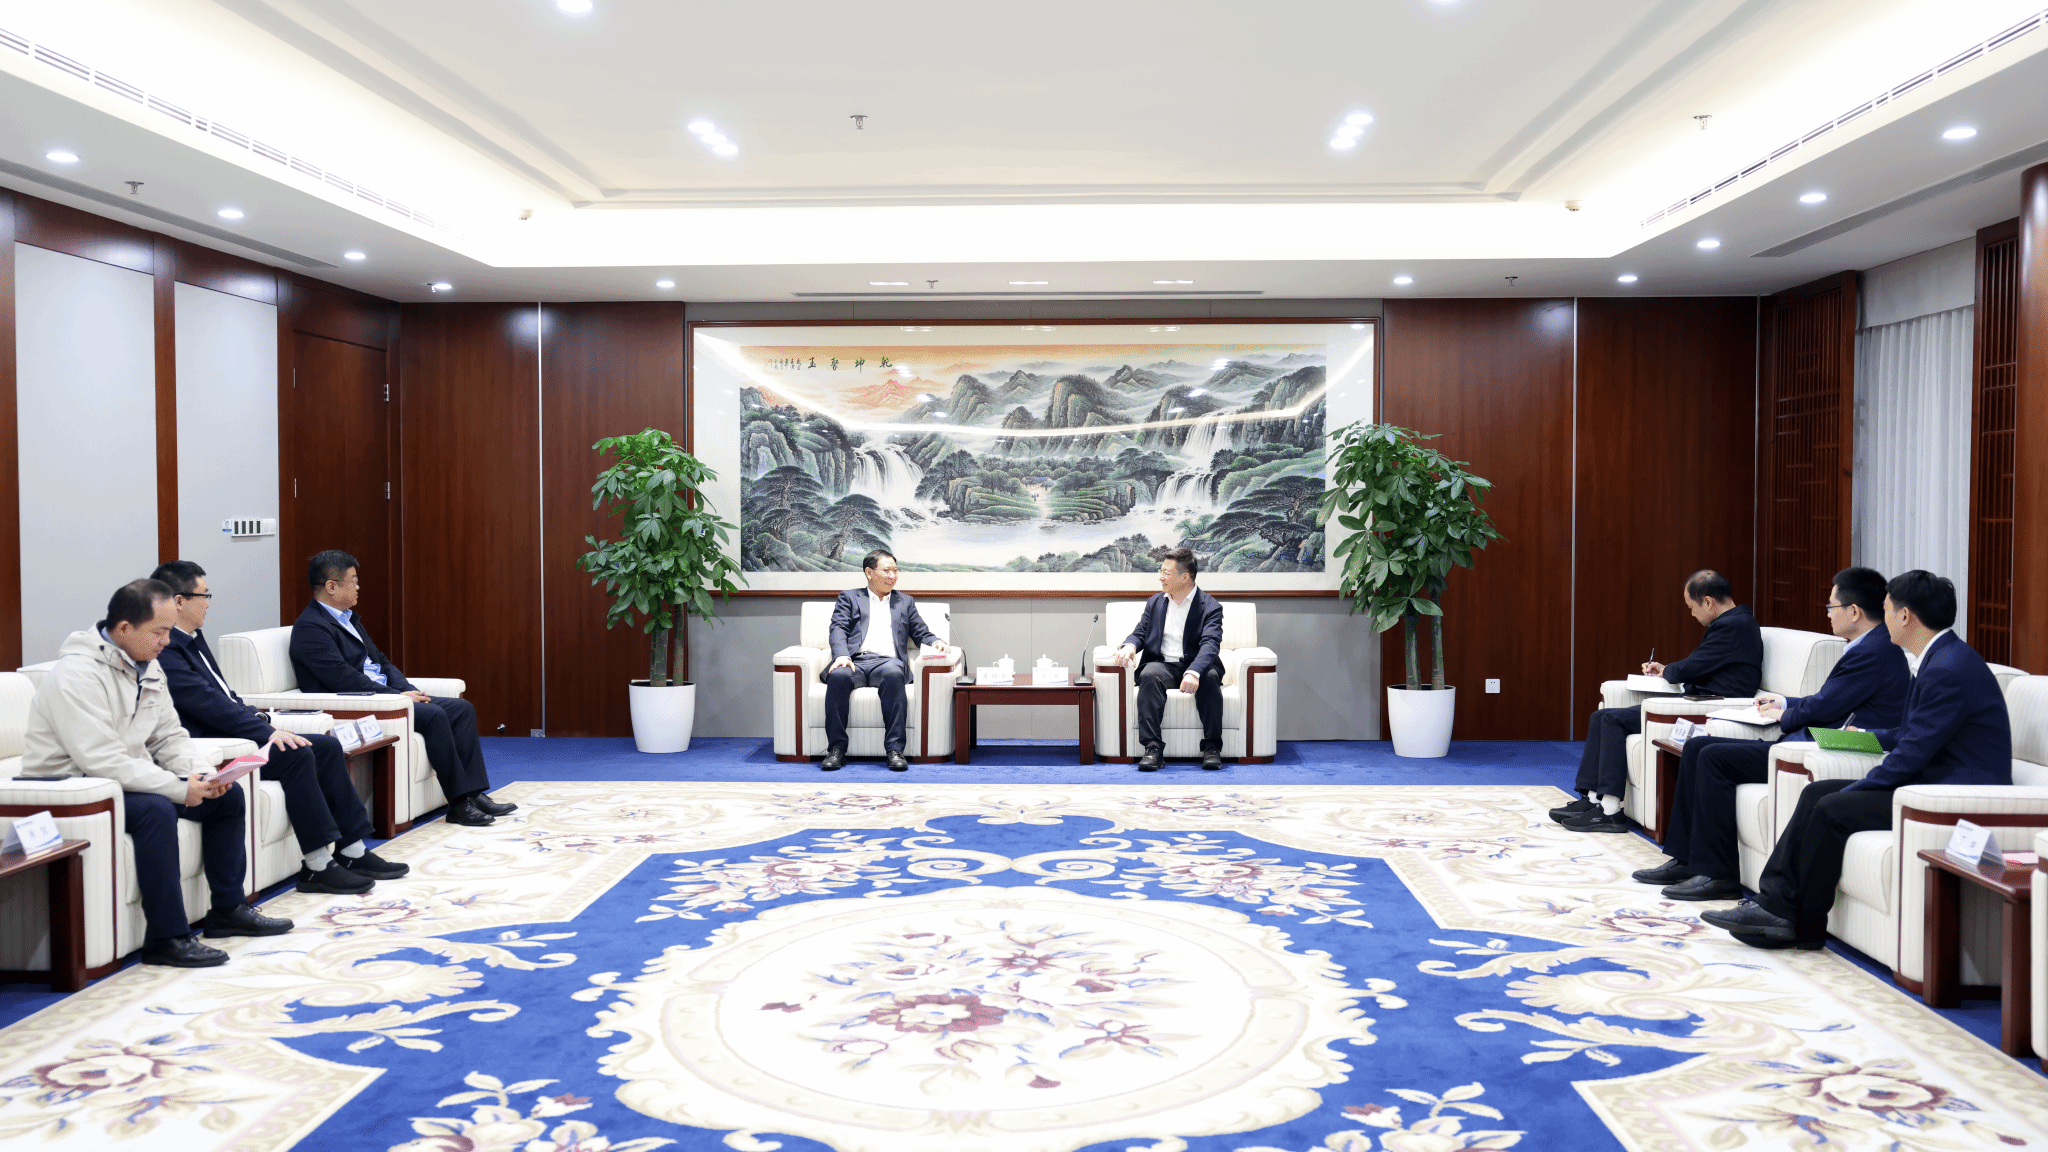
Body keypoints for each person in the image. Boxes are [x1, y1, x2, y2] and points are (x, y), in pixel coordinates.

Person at [1703, 570, 2011, 949]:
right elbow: (1908, 734)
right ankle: (1775, 907)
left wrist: (1862, 785)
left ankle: (1802, 925)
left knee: (1832, 807)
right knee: (1816, 794)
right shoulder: (1938, 658)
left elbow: (1911, 754)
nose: (1883, 618)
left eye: (1887, 609)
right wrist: (1864, 738)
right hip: (1931, 782)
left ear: (1905, 616)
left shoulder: (1947, 669)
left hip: (1952, 796)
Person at [19, 580, 292, 967]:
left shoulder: (147, 666)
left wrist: (203, 777)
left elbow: (169, 738)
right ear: (124, 628)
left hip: (127, 782)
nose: (167, 641)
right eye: (159, 632)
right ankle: (168, 938)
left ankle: (228, 911)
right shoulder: (76, 675)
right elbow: (101, 760)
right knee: (156, 810)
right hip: (76, 791)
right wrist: (178, 789)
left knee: (227, 798)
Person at [1623, 567, 1910, 898]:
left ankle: (1718, 875)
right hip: (1820, 741)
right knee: (1698, 748)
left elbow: (1825, 707)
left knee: (1712, 756)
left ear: (1854, 611)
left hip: (1827, 747)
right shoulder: (1870, 646)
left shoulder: (1873, 651)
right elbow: (1830, 701)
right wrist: (1785, 702)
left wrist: (1786, 714)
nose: (1828, 613)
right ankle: (1686, 860)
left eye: (1831, 606)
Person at [151, 560, 408, 895]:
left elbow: (226, 697)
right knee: (296, 753)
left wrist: (262, 718)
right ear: (179, 601)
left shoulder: (192, 639)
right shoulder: (167, 650)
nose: (209, 603)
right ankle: (317, 865)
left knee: (326, 746)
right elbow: (209, 706)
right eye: (204, 595)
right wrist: (268, 733)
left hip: (237, 733)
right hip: (215, 747)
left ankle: (352, 850)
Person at [289, 550, 512, 827]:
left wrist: (408, 690)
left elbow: (380, 661)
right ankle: (458, 804)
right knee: (434, 715)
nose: (358, 587)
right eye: (353, 581)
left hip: (388, 697)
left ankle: (474, 793)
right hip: (362, 704)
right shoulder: (311, 628)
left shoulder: (347, 619)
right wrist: (396, 697)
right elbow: (343, 679)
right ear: (331, 587)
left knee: (461, 709)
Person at [1555, 569, 1763, 833]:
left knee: (1613, 720)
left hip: (1711, 707)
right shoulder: (1735, 623)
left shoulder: (1734, 626)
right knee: (1601, 716)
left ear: (1708, 602)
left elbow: (1694, 666)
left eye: (1692, 607)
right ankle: (1593, 799)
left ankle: (1610, 811)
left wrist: (1668, 671)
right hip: (1697, 700)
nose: (1692, 614)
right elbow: (1703, 665)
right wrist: (1668, 670)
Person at [820, 549, 947, 772]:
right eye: (886, 571)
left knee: (894, 673)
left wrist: (935, 641)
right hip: (855, 661)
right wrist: (841, 655)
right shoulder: (849, 598)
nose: (892, 576)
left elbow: (921, 632)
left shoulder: (904, 601)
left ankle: (895, 750)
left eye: (895, 571)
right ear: (869, 572)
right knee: (838, 675)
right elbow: (838, 628)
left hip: (888, 662)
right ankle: (836, 749)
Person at [1113, 546, 1226, 773]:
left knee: (1210, 676)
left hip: (1196, 664)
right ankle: (1153, 749)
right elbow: (1141, 632)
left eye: (1167, 572)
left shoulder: (1210, 606)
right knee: (1148, 675)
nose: (1161, 577)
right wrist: (1130, 645)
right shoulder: (1156, 602)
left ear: (1185, 577)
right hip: (1163, 665)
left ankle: (1212, 747)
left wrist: (1193, 671)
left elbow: (1210, 644)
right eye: (1161, 571)